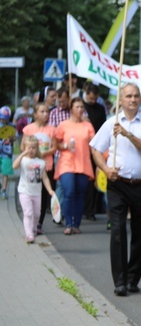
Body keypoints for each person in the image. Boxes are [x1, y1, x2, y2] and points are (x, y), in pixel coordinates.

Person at [90, 83, 141, 296]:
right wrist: (105, 168)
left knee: (140, 234)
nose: (132, 99)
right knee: (118, 232)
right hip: (118, 184)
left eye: (136, 96)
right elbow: (95, 148)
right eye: (128, 96)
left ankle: (132, 279)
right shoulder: (111, 123)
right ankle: (119, 281)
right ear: (121, 100)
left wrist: (128, 135)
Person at [55, 97, 96, 235]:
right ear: (71, 108)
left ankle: (76, 224)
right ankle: (68, 223)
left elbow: (94, 145)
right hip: (67, 162)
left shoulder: (87, 126)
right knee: (69, 192)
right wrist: (66, 145)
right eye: (77, 107)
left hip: (83, 163)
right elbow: (56, 144)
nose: (80, 110)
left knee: (80, 194)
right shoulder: (63, 125)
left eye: (81, 107)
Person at [22, 103, 57, 234]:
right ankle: (29, 221)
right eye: (42, 112)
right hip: (31, 166)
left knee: (43, 196)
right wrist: (33, 153)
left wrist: (44, 153)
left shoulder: (52, 129)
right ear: (35, 114)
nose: (45, 114)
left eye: (47, 112)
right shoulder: (28, 129)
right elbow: (22, 147)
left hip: (46, 166)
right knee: (31, 194)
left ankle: (39, 223)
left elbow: (55, 147)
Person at [13, 136, 54, 243]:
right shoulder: (23, 160)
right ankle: (29, 234)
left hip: (36, 193)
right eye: (29, 147)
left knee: (36, 214)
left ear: (37, 149)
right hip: (24, 191)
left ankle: (34, 228)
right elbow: (14, 166)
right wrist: (22, 154)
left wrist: (50, 190)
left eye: (34, 148)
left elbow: (44, 178)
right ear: (25, 148)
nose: (31, 150)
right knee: (28, 213)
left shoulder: (41, 162)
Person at [81, 82, 107, 221]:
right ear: (86, 94)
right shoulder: (80, 107)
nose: (93, 101)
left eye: (95, 99)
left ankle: (92, 209)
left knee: (94, 178)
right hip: (82, 147)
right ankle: (82, 208)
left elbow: (103, 126)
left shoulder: (100, 108)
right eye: (91, 98)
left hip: (96, 146)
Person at [0, 106, 15, 200]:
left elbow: (15, 138)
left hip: (7, 153)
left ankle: (4, 191)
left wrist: (12, 138)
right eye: (1, 117)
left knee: (5, 172)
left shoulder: (11, 127)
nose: (2, 120)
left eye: (4, 118)